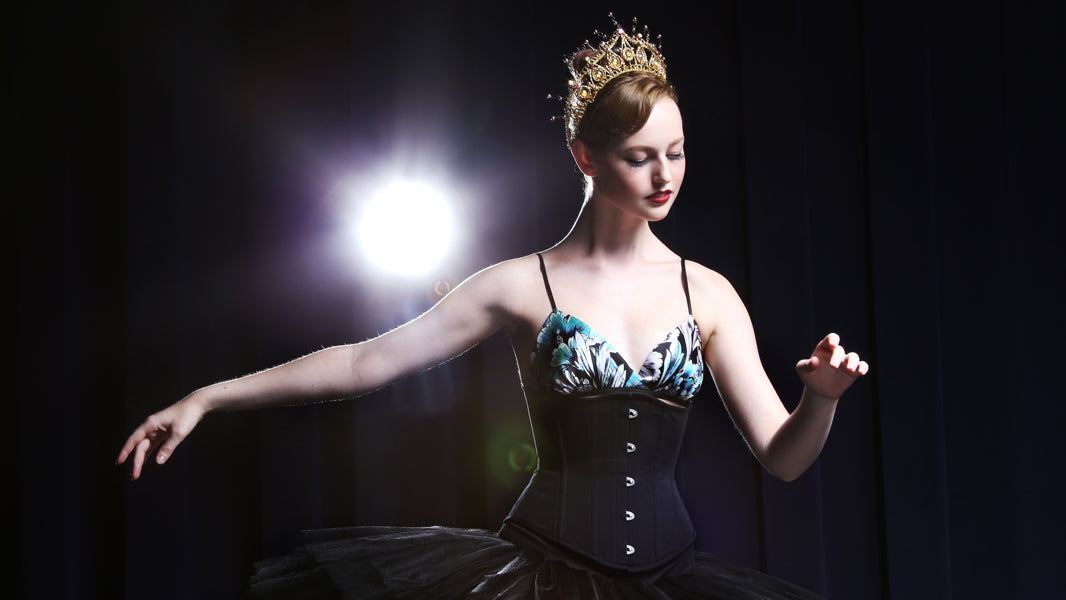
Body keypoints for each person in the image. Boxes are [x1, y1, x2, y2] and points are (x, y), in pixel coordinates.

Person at [118, 21, 869, 600]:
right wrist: (209, 397)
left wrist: (820, 399)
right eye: (640, 155)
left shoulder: (706, 293)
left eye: (675, 151)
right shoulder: (516, 285)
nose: (664, 173)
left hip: (672, 577)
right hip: (541, 574)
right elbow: (363, 362)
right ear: (585, 157)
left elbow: (785, 457)